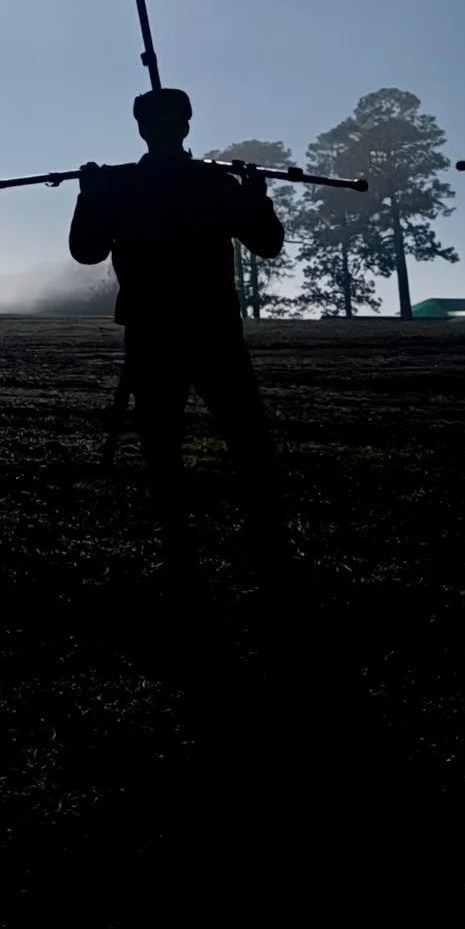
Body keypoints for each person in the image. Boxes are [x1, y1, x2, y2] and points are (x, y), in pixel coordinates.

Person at [67, 87, 291, 573]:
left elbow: (267, 243)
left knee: (233, 435)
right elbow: (86, 250)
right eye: (156, 126)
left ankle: (255, 537)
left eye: (168, 125)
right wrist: (90, 199)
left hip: (197, 330)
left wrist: (255, 199)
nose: (163, 132)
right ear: (146, 130)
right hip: (168, 331)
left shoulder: (202, 184)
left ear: (183, 128)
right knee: (171, 438)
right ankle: (192, 540)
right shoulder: (170, 186)